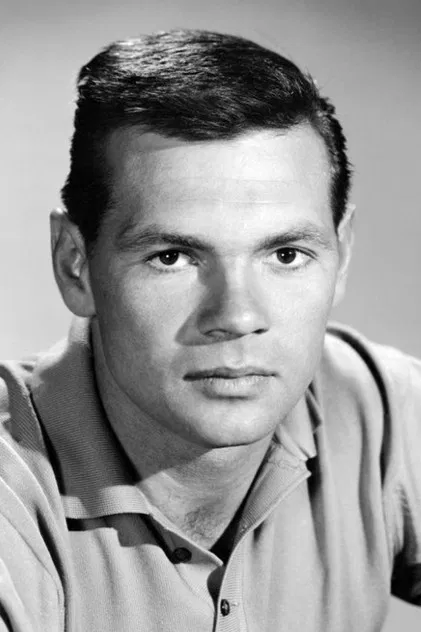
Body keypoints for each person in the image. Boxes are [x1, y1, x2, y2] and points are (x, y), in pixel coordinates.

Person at [0, 28, 420, 632]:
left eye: (286, 254)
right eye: (172, 257)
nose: (237, 317)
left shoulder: (381, 411)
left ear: (342, 254)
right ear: (75, 264)